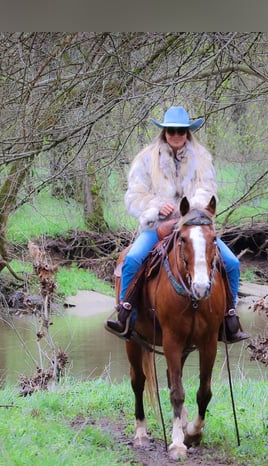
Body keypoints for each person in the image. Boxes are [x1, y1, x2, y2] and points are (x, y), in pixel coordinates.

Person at [106, 106, 249, 343]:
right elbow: (134, 195)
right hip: (158, 226)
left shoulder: (201, 158)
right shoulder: (146, 159)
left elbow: (208, 189)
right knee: (132, 259)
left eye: (181, 131)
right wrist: (155, 205)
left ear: (187, 133)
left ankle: (229, 317)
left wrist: (192, 209)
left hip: (193, 225)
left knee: (232, 263)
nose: (176, 135)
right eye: (171, 130)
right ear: (164, 132)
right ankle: (125, 313)